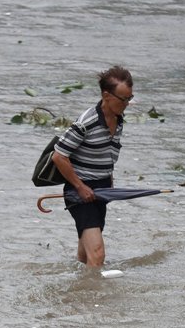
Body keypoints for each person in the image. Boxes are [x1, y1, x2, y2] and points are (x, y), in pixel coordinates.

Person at [51, 66, 134, 267]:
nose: (126, 104)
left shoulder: (118, 119)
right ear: (106, 95)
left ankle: (79, 289)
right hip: (81, 192)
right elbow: (59, 156)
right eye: (123, 99)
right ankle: (93, 297)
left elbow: (107, 155)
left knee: (85, 254)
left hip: (101, 191)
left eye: (130, 99)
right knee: (97, 254)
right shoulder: (86, 122)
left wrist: (110, 185)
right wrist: (80, 187)